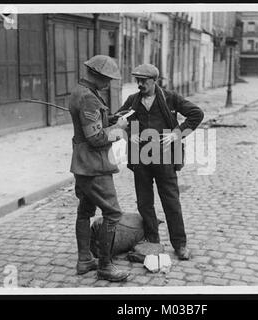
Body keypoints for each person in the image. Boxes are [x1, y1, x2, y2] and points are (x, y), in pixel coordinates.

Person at [115, 64, 204, 260]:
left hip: (165, 159)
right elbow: (117, 120)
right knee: (145, 203)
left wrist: (177, 134)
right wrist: (128, 134)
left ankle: (180, 245)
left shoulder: (170, 98)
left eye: (144, 81)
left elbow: (197, 114)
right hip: (141, 160)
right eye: (137, 80)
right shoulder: (133, 101)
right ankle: (152, 240)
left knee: (171, 202)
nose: (140, 84)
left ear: (155, 81)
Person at [69, 55, 129, 282]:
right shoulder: (89, 98)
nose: (109, 83)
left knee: (84, 212)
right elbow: (95, 138)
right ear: (99, 76)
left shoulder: (82, 91)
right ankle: (105, 265)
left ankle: (85, 260)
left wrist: (113, 119)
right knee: (113, 214)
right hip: (94, 166)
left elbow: (92, 125)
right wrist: (119, 129)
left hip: (83, 165)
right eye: (108, 79)